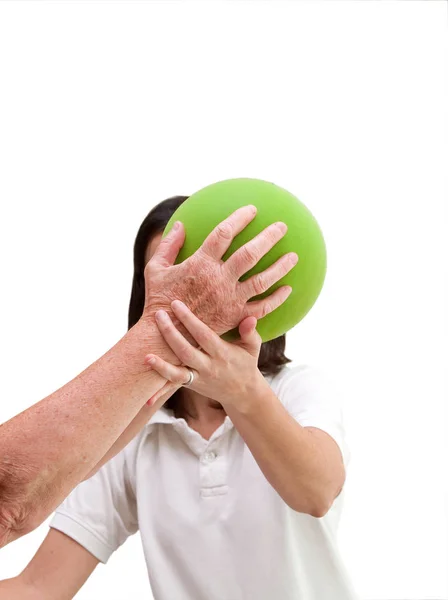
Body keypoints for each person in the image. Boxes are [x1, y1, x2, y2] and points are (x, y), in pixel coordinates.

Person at [0, 197, 358, 600]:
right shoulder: (130, 432)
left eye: (209, 283)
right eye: (174, 281)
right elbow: (39, 586)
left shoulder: (298, 387)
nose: (196, 300)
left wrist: (244, 391)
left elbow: (317, 493)